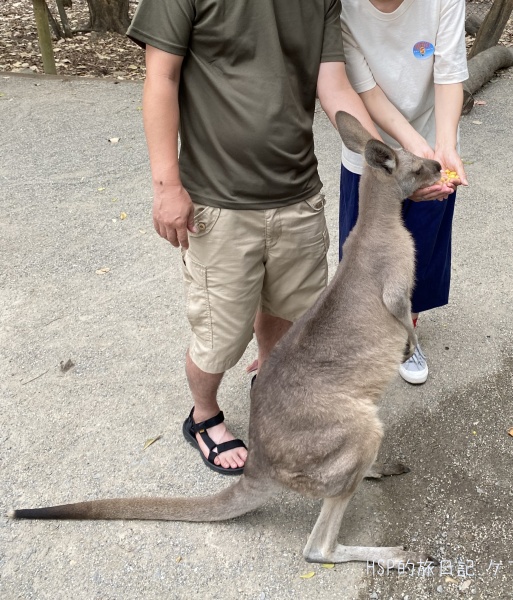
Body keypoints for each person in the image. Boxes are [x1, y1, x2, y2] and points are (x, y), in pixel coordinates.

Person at [126, 1, 380, 475]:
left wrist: (385, 161)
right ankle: (204, 416)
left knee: (289, 310)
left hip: (298, 195)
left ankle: (268, 378)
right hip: (218, 202)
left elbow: (334, 84)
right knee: (220, 333)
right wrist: (166, 185)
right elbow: (161, 77)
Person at [339, 0, 469, 384]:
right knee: (363, 249)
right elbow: (366, 89)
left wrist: (441, 148)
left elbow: (448, 73)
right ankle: (363, 331)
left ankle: (404, 336)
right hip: (376, 149)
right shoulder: (343, 7)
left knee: (421, 247)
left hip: (430, 141)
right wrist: (408, 156)